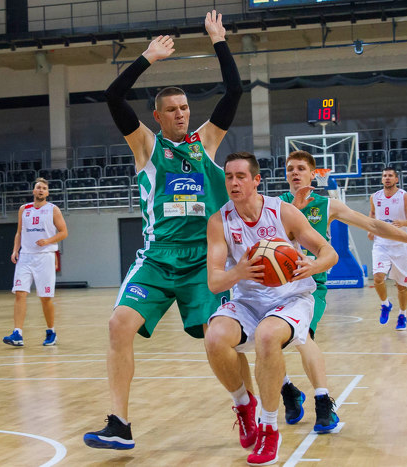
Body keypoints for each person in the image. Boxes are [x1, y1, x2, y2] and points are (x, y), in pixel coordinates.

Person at [83, 10, 243, 450]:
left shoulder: (205, 142)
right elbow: (113, 97)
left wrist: (219, 40)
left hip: (203, 261)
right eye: (171, 110)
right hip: (157, 258)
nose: (180, 114)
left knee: (218, 339)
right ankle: (120, 424)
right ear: (157, 116)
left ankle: (244, 403)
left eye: (185, 108)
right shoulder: (146, 145)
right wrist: (147, 58)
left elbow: (234, 90)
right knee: (119, 325)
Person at [277, 151, 407, 432]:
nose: (294, 173)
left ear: (313, 174)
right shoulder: (275, 205)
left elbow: (373, 224)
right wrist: (293, 210)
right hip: (279, 284)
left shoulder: (328, 205)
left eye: (300, 168)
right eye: (290, 169)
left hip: (310, 286)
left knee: (303, 336)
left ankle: (323, 402)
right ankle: (288, 391)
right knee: (266, 342)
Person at [204, 152, 339, 465]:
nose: (234, 183)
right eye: (229, 177)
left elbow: (328, 252)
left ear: (256, 180)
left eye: (241, 176)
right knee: (214, 337)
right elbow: (214, 282)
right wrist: (239, 271)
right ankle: (243, 404)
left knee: (267, 336)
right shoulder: (219, 221)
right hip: (248, 300)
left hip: (291, 298)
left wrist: (313, 265)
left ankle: (269, 428)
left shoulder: (282, 211)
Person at [3, 178, 68, 347]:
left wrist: (48, 241)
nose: (41, 190)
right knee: (20, 293)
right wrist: (15, 250)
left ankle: (51, 331)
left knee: (45, 298)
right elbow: (19, 232)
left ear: (47, 192)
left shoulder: (53, 209)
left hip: (45, 256)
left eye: (44, 188)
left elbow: (63, 232)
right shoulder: (24, 209)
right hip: (25, 256)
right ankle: (17, 333)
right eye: (38, 187)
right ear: (33, 191)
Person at [368, 167, 407, 330]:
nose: (387, 178)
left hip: (400, 244)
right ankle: (385, 304)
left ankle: (402, 315)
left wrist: (403, 222)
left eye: (390, 175)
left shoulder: (404, 197)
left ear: (396, 179)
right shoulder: (375, 197)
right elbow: (372, 214)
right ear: (381, 179)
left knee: (401, 286)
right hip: (381, 243)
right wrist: (370, 229)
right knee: (378, 277)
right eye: (384, 175)